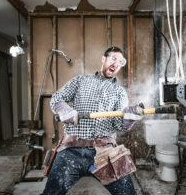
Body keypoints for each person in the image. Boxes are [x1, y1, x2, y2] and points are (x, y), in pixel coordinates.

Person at [42, 46, 143, 195]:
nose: (116, 64)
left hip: (104, 152)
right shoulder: (80, 81)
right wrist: (65, 110)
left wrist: (128, 119)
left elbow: (118, 124)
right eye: (113, 59)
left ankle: (94, 170)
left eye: (121, 62)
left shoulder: (119, 92)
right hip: (71, 151)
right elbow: (57, 98)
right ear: (104, 59)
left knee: (127, 193)